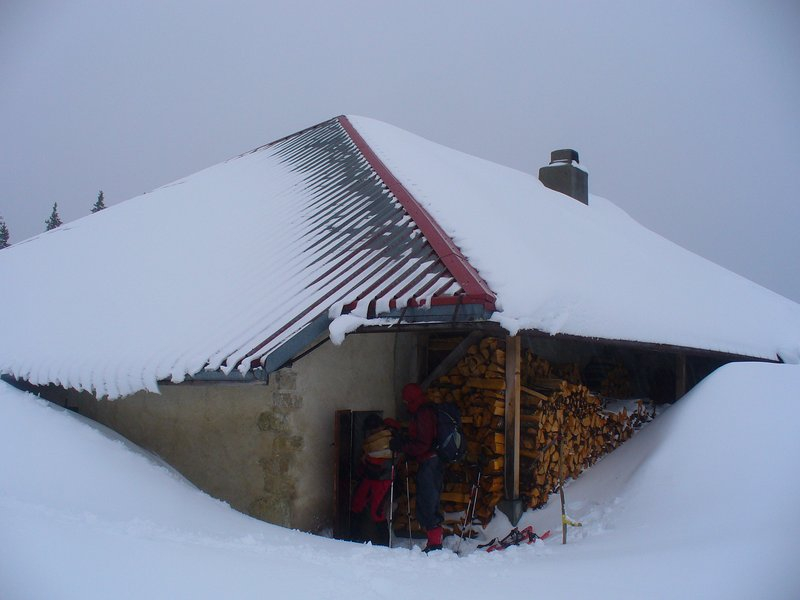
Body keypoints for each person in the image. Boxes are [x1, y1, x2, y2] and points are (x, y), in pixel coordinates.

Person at [390, 383, 444, 552]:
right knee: (428, 501)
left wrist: (403, 446)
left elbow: (423, 443)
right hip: (431, 461)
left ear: (411, 399)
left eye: (406, 400)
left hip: (430, 462)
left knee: (428, 501)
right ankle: (434, 542)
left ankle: (435, 544)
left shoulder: (423, 414)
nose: (405, 403)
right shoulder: (423, 411)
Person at [351, 414, 395, 543]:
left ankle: (383, 545)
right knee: (357, 504)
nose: (371, 433)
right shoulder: (383, 439)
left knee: (377, 512)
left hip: (382, 479)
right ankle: (353, 539)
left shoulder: (389, 440)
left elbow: (385, 463)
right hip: (371, 477)